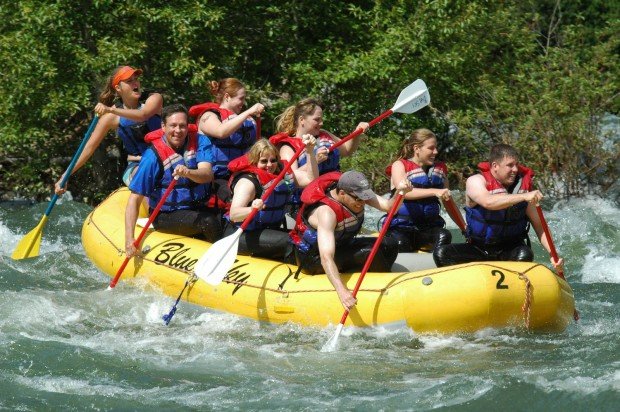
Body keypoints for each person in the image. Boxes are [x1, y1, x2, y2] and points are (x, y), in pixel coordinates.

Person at [290, 170, 412, 310]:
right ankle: (385, 293)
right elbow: (326, 257)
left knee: (389, 243)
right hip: (313, 258)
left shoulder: (356, 194)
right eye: (358, 199)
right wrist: (342, 292)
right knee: (370, 252)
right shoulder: (327, 213)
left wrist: (400, 192)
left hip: (340, 246)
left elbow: (389, 207)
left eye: (364, 198)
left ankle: (369, 275)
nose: (363, 203)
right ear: (342, 193)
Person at [433, 144, 564, 270]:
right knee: (442, 253)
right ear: (495, 166)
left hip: (510, 250)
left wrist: (553, 254)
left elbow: (539, 225)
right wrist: (523, 197)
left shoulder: (524, 189)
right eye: (510, 165)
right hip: (478, 248)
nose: (515, 170)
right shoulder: (476, 181)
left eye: (516, 165)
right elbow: (488, 202)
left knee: (525, 254)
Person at [124, 104, 221, 257]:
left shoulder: (201, 141)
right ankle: (223, 263)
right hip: (166, 215)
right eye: (173, 126)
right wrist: (129, 239)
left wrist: (188, 172)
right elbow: (134, 200)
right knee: (208, 221)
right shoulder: (152, 157)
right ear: (163, 126)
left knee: (225, 217)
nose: (178, 131)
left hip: (199, 206)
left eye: (182, 126)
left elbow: (207, 174)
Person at [55, 66, 163, 194]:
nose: (135, 83)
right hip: (136, 166)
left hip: (165, 159)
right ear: (118, 88)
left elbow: (143, 115)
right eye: (129, 81)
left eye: (136, 79)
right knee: (145, 175)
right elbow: (88, 148)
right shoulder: (110, 117)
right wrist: (65, 176)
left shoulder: (154, 98)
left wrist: (110, 109)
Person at [269, 98, 369, 217]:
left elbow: (347, 150)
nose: (321, 123)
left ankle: (389, 206)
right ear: (302, 120)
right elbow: (289, 178)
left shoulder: (324, 134)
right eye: (317, 119)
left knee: (360, 189)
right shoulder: (287, 147)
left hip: (333, 191)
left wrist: (357, 133)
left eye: (321, 119)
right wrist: (314, 160)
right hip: (306, 203)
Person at [224, 136, 318, 259]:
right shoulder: (247, 182)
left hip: (268, 230)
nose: (269, 165)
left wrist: (310, 152)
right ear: (254, 162)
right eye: (264, 161)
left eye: (273, 160)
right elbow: (234, 214)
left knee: (308, 238)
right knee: (290, 241)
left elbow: (312, 179)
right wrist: (252, 209)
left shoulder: (282, 175)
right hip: (241, 234)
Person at [188, 78, 264, 207]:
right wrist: (249, 112)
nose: (243, 103)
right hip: (215, 177)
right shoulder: (209, 116)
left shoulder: (246, 119)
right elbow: (221, 132)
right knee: (236, 195)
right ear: (227, 97)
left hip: (240, 174)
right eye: (241, 98)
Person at [385, 128, 463, 252]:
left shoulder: (440, 171)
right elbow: (405, 193)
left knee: (445, 235)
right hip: (402, 229)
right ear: (417, 148)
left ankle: (439, 264)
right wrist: (435, 191)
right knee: (401, 244)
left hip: (427, 230)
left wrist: (464, 228)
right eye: (431, 148)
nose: (436, 152)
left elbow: (450, 204)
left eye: (436, 147)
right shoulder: (399, 166)